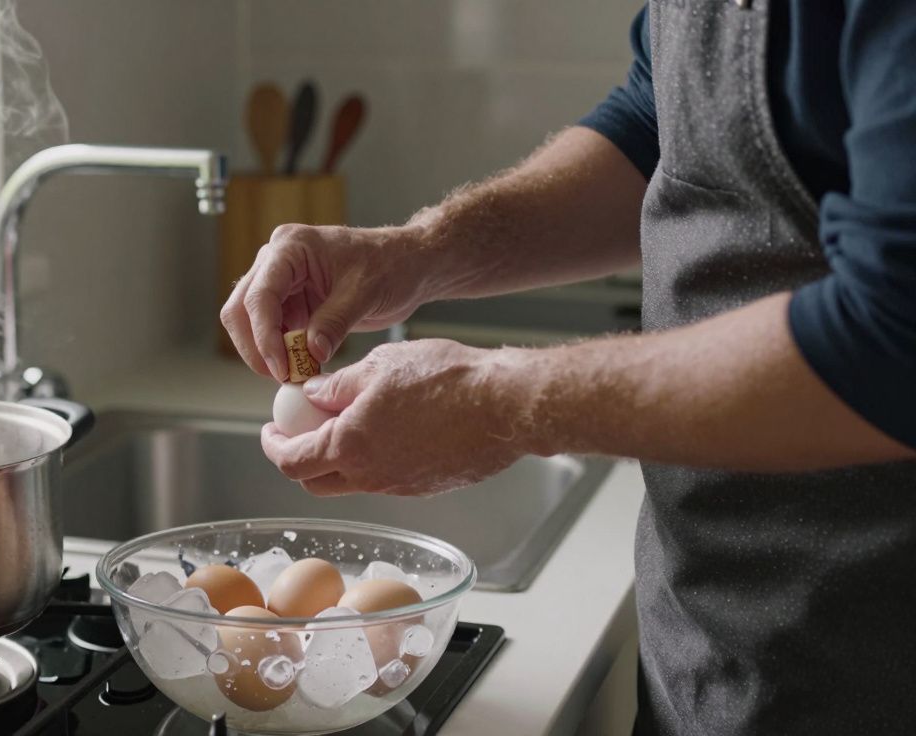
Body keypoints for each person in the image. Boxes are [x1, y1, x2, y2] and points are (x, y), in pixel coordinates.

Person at [220, 2, 916, 734]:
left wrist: (500, 403)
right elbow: (662, 125)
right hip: (712, 659)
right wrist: (415, 253)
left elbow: (892, 340)